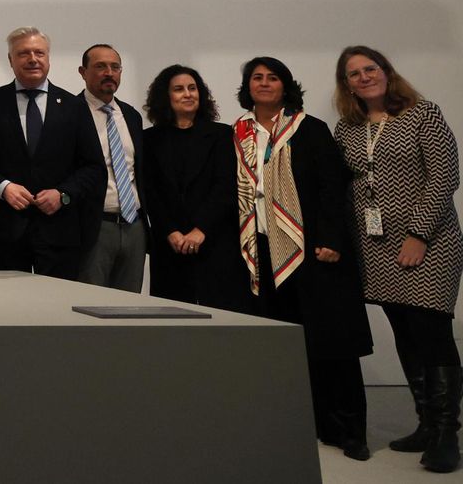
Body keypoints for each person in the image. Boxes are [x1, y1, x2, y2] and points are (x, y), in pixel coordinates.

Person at [333, 46, 462, 471]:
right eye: (354, 73)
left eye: (370, 68)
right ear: (346, 83)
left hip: (429, 241)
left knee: (432, 331)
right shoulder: (347, 129)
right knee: (405, 332)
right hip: (375, 248)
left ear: (386, 72)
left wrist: (419, 234)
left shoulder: (423, 114)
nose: (363, 77)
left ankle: (447, 434)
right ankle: (426, 423)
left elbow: (445, 176)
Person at [236, 56, 371, 460]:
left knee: (332, 344)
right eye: (256, 78)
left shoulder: (309, 129)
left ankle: (350, 431)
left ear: (285, 85)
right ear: (247, 87)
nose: (263, 83)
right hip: (263, 251)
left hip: (313, 251)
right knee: (284, 345)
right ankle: (306, 423)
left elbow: (333, 187)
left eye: (272, 77)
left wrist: (331, 238)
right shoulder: (238, 133)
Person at [0, 27, 104, 278]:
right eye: (24, 53)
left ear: (48, 58)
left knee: (57, 311)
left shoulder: (74, 106)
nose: (33, 59)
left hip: (60, 231)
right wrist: (3, 188)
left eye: (39, 52)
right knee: (9, 312)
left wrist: (63, 194)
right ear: (10, 60)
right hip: (5, 230)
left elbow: (93, 167)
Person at [137, 65, 242, 309]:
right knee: (172, 318)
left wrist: (200, 230)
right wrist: (170, 231)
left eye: (192, 88)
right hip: (170, 242)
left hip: (214, 239)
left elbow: (225, 187)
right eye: (179, 89)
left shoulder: (222, 134)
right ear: (166, 96)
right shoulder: (149, 139)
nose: (187, 94)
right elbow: (150, 191)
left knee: (219, 312)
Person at [73, 44, 149, 292]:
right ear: (83, 72)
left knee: (130, 308)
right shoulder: (69, 114)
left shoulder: (131, 115)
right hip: (93, 226)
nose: (109, 72)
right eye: (100, 66)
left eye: (115, 67)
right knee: (90, 304)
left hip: (134, 225)